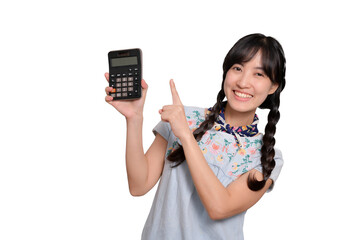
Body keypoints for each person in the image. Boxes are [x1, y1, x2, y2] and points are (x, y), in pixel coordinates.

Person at [104, 33, 286, 240]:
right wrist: (134, 118)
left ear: (273, 86)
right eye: (238, 68)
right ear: (226, 72)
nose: (244, 82)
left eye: (259, 74)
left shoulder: (267, 157)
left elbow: (219, 207)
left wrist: (186, 137)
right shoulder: (184, 117)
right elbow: (139, 185)